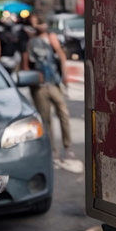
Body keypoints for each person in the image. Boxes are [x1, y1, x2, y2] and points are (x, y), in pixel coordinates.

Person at [24, 14, 74, 161]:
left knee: (63, 112)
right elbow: (26, 60)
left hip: (53, 82)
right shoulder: (30, 41)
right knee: (46, 119)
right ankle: (52, 149)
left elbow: (61, 56)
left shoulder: (51, 37)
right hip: (39, 85)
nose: (37, 26)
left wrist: (64, 77)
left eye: (38, 23)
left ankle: (67, 146)